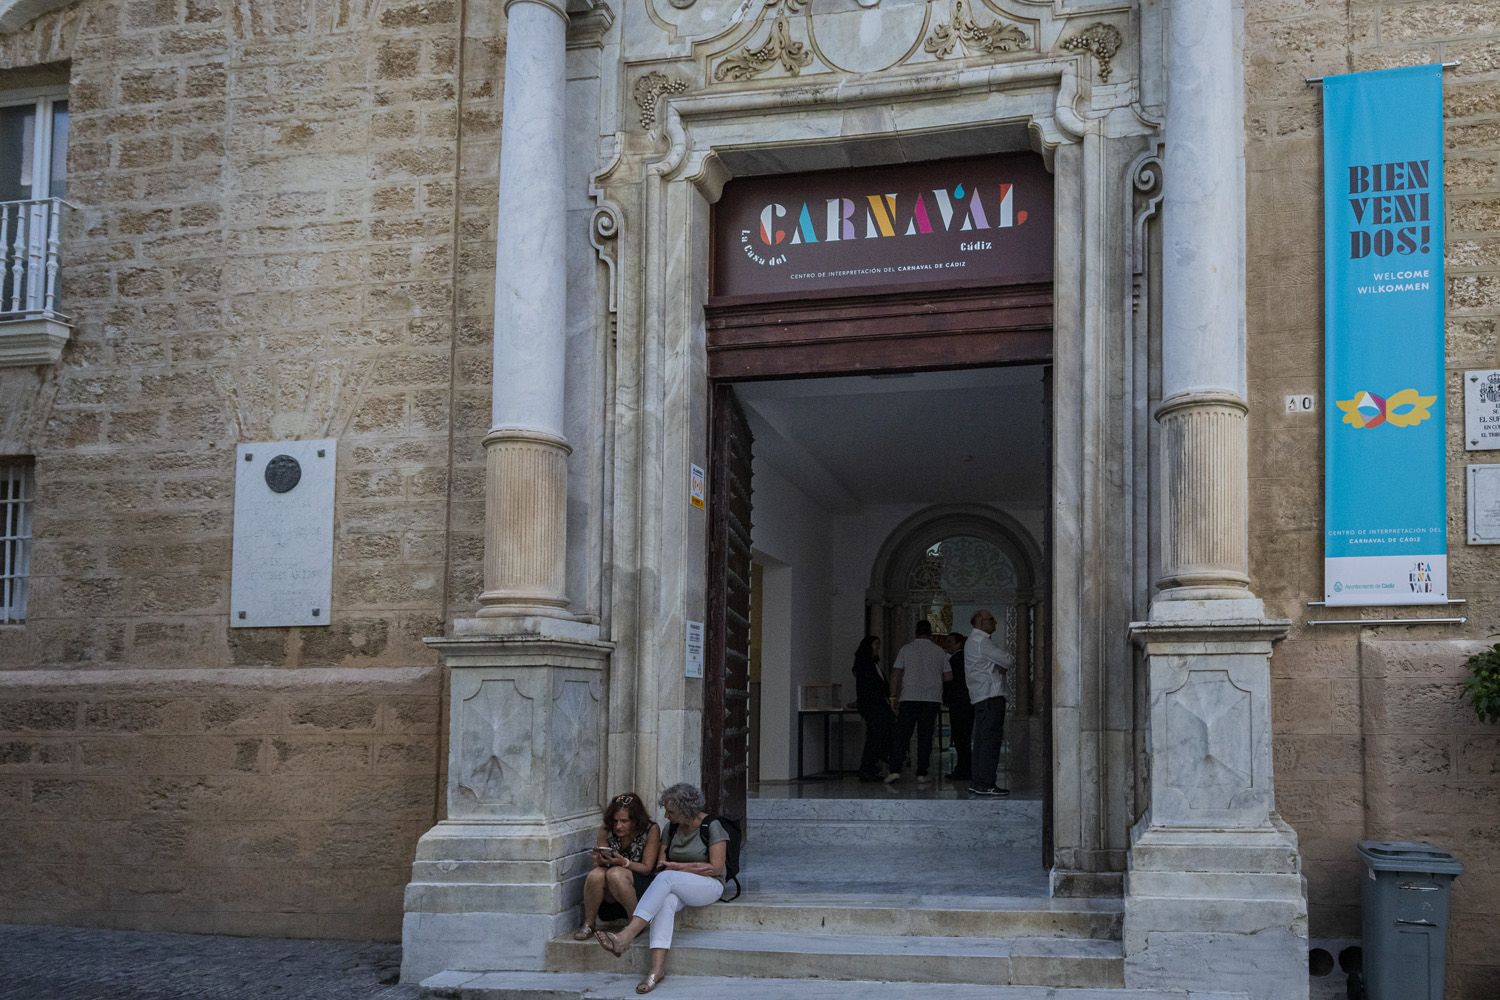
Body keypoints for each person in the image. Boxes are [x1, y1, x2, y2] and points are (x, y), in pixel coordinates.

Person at [595, 783, 728, 994]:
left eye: (670, 811)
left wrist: (678, 867)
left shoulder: (712, 826)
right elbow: (660, 863)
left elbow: (716, 867)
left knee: (667, 878)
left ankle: (627, 935)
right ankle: (656, 971)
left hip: (708, 884)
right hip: (678, 883)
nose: (666, 815)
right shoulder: (671, 828)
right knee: (665, 901)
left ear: (686, 809)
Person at [574, 792, 661, 941]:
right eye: (615, 821)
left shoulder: (650, 829)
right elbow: (602, 860)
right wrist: (601, 860)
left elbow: (647, 867)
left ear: (635, 820)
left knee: (615, 873)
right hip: (609, 888)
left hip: (638, 884)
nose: (618, 826)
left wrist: (624, 863)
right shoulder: (606, 829)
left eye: (624, 821)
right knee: (596, 874)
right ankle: (589, 923)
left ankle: (635, 924)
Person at [884, 620, 952, 785]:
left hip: (909, 698)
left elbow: (896, 673)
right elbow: (949, 676)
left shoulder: (906, 649)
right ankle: (922, 772)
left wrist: (893, 697)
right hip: (931, 699)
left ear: (915, 632)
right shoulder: (939, 652)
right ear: (930, 633)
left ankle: (894, 770)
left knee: (902, 735)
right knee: (925, 736)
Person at [965, 608, 1014, 797]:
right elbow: (1008, 661)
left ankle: (978, 781)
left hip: (981, 697)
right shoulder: (981, 641)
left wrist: (996, 666)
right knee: (990, 742)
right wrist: (999, 666)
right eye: (991, 619)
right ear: (979, 621)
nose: (995, 623)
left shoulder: (973, 641)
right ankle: (986, 783)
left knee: (981, 741)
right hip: (990, 698)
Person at [851, 635, 895, 781]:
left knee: (876, 736)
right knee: (876, 736)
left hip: (875, 705)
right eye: (876, 644)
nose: (878, 648)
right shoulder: (866, 664)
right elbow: (868, 687)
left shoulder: (870, 664)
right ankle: (869, 766)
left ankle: (871, 765)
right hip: (873, 705)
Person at [941, 632, 973, 781]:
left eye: (949, 641)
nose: (946, 644)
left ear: (958, 644)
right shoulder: (964, 658)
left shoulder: (956, 659)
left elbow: (951, 681)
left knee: (961, 738)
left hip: (959, 704)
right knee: (963, 737)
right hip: (965, 703)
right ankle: (965, 768)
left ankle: (963, 769)